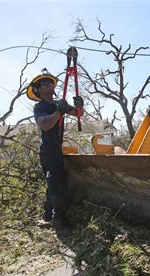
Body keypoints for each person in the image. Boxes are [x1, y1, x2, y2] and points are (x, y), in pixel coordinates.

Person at [27, 68, 84, 228]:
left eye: (51, 82)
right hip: (48, 152)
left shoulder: (60, 105)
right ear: (38, 90)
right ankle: (59, 221)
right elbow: (45, 125)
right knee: (58, 186)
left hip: (57, 151)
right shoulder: (40, 108)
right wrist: (59, 112)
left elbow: (78, 114)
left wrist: (79, 106)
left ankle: (47, 215)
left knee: (53, 184)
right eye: (44, 83)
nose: (49, 84)